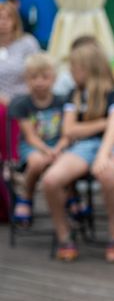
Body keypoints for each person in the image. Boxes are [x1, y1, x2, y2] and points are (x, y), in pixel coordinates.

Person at [41, 42, 114, 262]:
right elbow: (70, 129)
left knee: (107, 174)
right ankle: (65, 237)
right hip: (82, 147)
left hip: (112, 146)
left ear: (89, 67)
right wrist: (104, 122)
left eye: (75, 67)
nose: (71, 72)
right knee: (51, 180)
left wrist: (103, 154)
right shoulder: (75, 94)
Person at [8, 53, 67, 227]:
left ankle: (72, 196)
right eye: (34, 77)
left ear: (54, 78)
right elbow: (30, 136)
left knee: (68, 162)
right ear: (26, 79)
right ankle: (26, 196)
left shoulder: (62, 102)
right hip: (32, 147)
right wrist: (47, 151)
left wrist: (57, 149)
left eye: (44, 77)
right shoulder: (22, 104)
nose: (39, 82)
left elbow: (67, 133)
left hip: (58, 145)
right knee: (37, 162)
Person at [0, 0, 42, 165]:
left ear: (15, 21)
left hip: (25, 99)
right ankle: (8, 161)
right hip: (1, 102)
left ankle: (13, 160)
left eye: (6, 18)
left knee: (15, 111)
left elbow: (37, 71)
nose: (2, 23)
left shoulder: (27, 43)